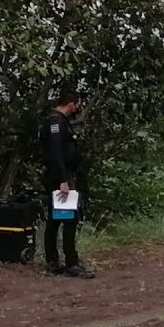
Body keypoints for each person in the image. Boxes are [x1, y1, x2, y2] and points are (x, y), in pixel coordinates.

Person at [40, 91, 94, 278]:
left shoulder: (60, 121)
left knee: (55, 219)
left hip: (61, 176)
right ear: (71, 104)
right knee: (69, 219)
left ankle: (53, 261)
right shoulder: (55, 122)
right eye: (77, 105)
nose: (77, 108)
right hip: (59, 178)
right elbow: (55, 153)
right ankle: (70, 263)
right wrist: (63, 180)